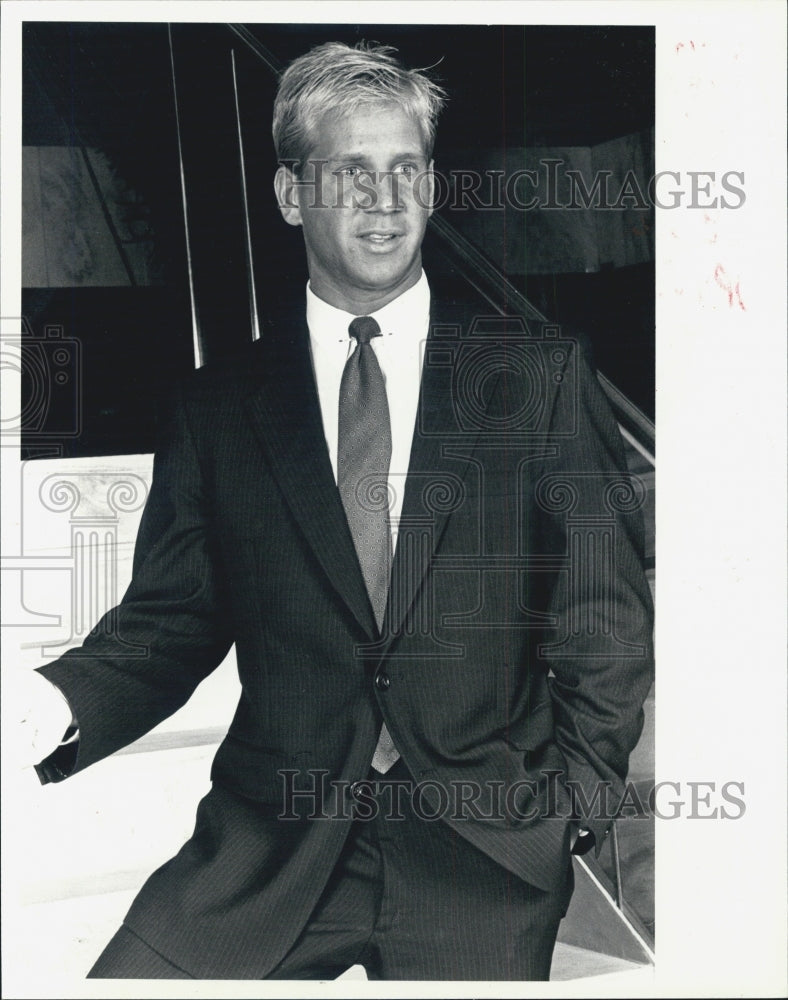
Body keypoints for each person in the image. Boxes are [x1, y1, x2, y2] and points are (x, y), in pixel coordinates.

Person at [17, 40, 654, 980]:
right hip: (271, 846)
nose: (386, 201)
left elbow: (602, 616)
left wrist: (573, 810)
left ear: (433, 189)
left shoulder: (538, 375)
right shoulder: (218, 405)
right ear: (289, 195)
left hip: (481, 853)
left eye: (407, 171)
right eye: (351, 172)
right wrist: (49, 706)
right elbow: (172, 619)